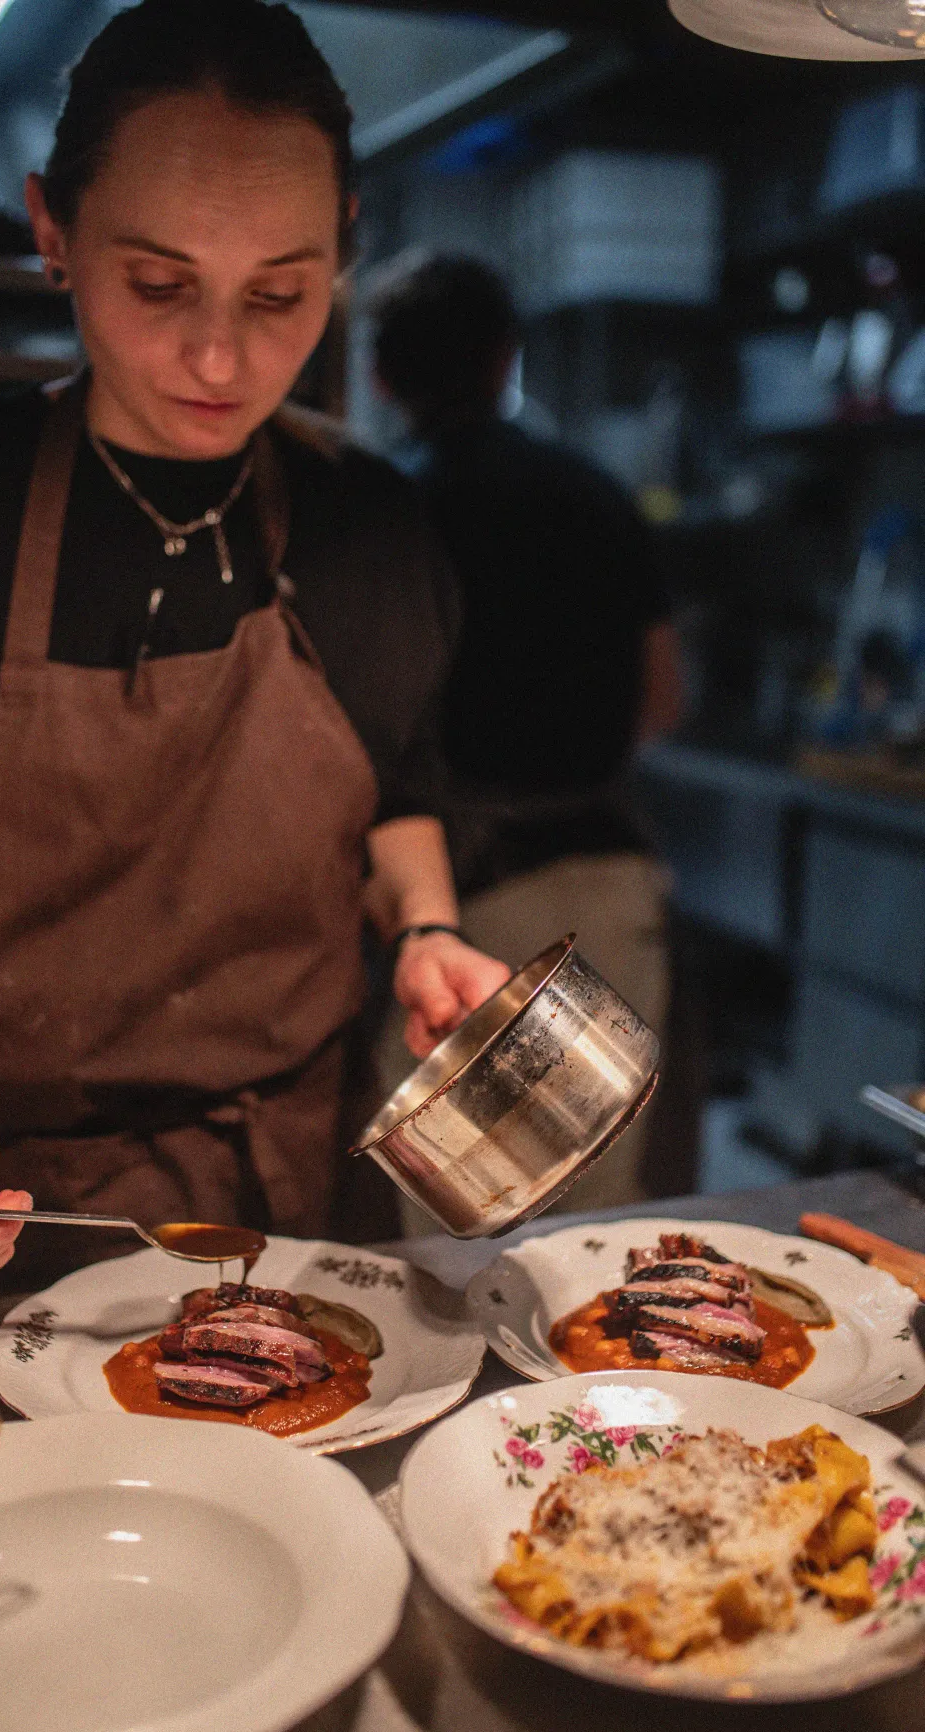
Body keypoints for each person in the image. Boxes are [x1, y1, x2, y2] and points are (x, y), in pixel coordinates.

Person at [0, 2, 508, 1316]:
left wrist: (425, 928)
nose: (219, 355)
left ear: (344, 252)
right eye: (158, 284)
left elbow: (401, 783)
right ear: (51, 229)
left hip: (299, 1219)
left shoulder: (370, 520)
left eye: (281, 293)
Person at [371, 255, 682, 1212]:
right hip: (602, 880)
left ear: (381, 377)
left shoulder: (381, 507)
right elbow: (663, 697)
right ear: (508, 355)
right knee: (590, 1212)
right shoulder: (593, 492)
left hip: (447, 903)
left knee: (446, 1223)